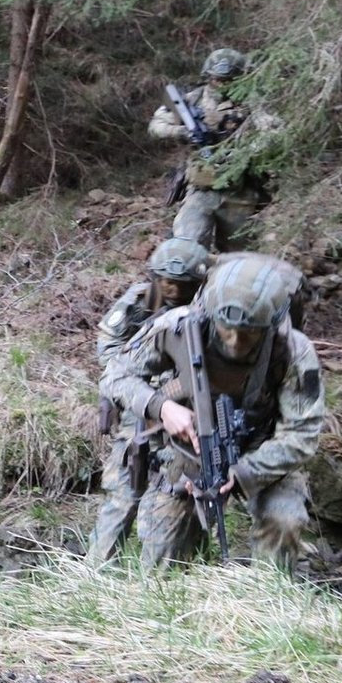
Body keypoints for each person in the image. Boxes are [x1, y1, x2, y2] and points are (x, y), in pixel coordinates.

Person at [98, 253, 323, 568]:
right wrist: (162, 408)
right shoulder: (176, 326)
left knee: (284, 519)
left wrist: (246, 472)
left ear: (271, 323)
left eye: (249, 333)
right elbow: (115, 375)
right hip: (189, 449)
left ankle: (270, 598)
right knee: (162, 553)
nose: (235, 341)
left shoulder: (294, 351)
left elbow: (302, 434)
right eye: (226, 328)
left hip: (264, 450)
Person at [88, 237, 212, 563]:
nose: (173, 289)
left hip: (187, 415)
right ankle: (96, 572)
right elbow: (109, 348)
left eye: (181, 283)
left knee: (183, 491)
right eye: (167, 281)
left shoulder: (208, 309)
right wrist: (138, 390)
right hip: (138, 410)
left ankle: (181, 566)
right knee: (123, 492)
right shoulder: (140, 301)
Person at [148, 48, 284, 252]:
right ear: (208, 76)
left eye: (228, 79)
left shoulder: (251, 102)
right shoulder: (192, 100)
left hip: (240, 192)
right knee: (187, 245)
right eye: (216, 79)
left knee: (239, 254)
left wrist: (247, 151)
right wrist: (181, 132)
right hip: (200, 190)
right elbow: (156, 126)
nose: (221, 84)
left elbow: (275, 131)